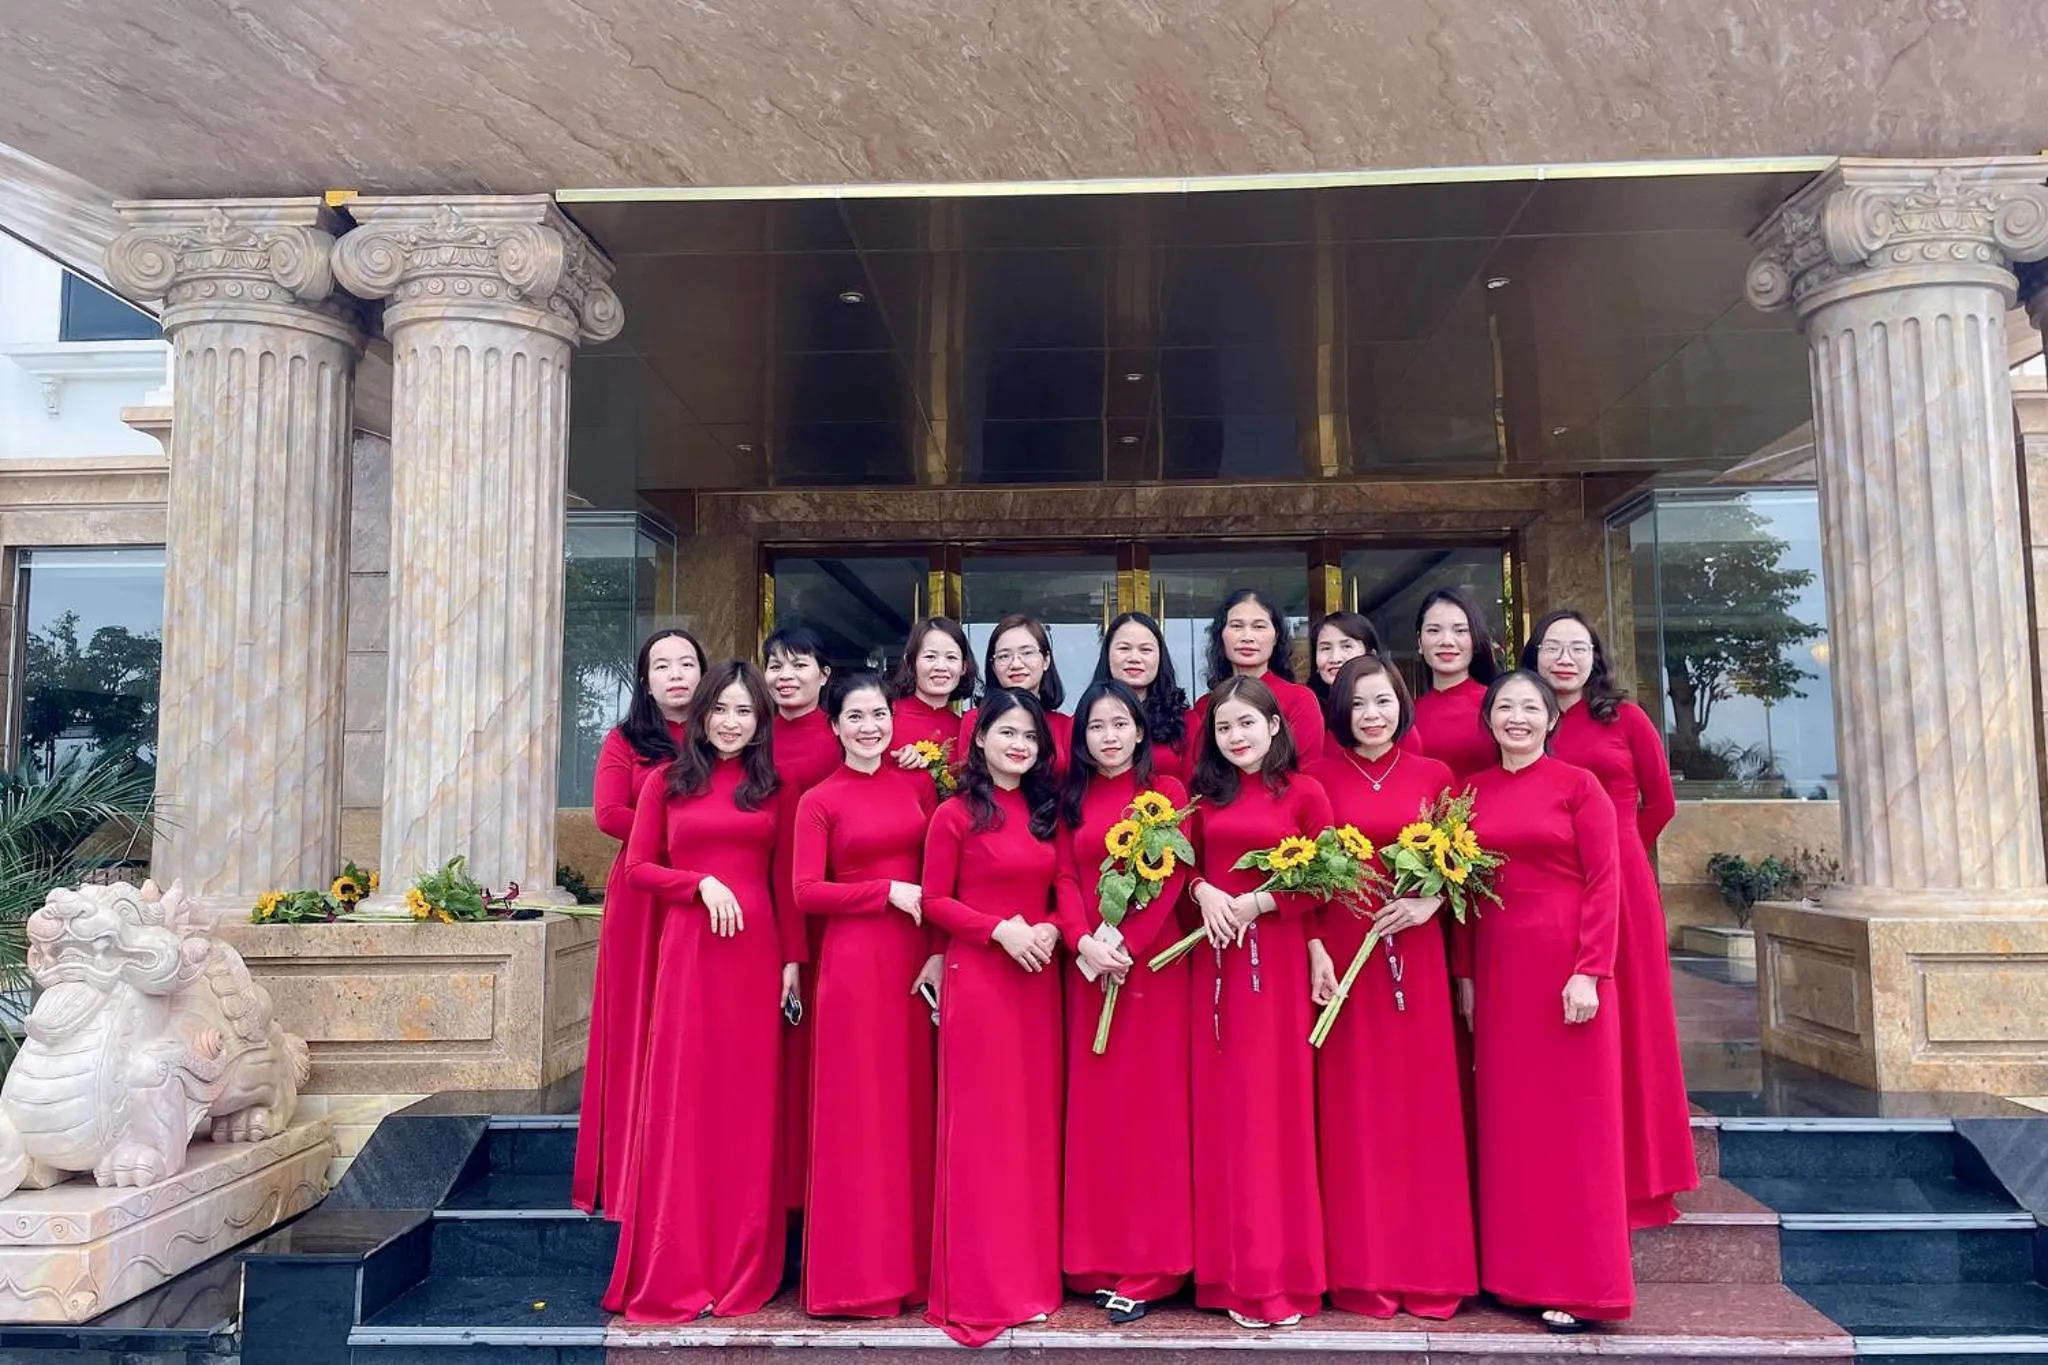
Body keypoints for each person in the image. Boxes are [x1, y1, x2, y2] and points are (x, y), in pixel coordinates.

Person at [604, 661, 807, 1322]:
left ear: (759, 722)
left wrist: (792, 964)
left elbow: (787, 885)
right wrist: (698, 882)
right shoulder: (666, 782)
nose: (731, 722)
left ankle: (742, 1267)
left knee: (748, 1110)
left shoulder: (775, 788)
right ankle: (682, 1262)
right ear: (703, 713)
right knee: (687, 1104)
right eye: (722, 709)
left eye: (745, 712)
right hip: (691, 957)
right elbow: (638, 868)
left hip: (756, 960)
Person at [1304, 654, 1476, 1319]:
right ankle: (1362, 1269)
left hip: (1415, 946)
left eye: (1382, 702)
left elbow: (1463, 862)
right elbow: (1308, 870)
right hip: (1345, 952)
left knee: (1420, 1107)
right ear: (1340, 714)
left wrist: (1432, 901)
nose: (1372, 716)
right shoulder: (1317, 778)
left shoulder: (1437, 777)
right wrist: (1316, 944)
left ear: (1402, 704)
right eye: (1357, 706)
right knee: (1353, 1110)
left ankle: (1431, 1267)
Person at [1461, 670, 1632, 1331]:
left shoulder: (1577, 787)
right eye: (1506, 707)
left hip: (1566, 969)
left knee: (1574, 1127)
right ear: (1490, 718)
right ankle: (1516, 1276)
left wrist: (1591, 969)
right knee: (1513, 1124)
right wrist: (1466, 976)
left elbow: (1605, 880)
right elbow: (1462, 892)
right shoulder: (1471, 792)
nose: (1518, 718)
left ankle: (1586, 1284)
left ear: (1551, 720)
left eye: (1530, 707)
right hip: (1500, 969)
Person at [1524, 609, 1696, 1229]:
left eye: (1577, 647)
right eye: (1552, 647)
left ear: (1596, 657)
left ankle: (1641, 1176)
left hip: (1620, 881)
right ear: (1534, 655)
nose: (1564, 658)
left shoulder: (1625, 718)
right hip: (1547, 888)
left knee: (1635, 1024)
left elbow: (1662, 802)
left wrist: (1617, 844)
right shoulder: (1527, 719)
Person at [922, 689, 1071, 1346]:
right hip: (980, 978)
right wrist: (999, 931)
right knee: (981, 1133)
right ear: (978, 739)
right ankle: (981, 1286)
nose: (1018, 743)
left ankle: (1031, 1282)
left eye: (1029, 736)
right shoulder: (954, 814)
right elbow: (934, 901)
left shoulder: (1045, 814)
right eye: (1005, 731)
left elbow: (1063, 883)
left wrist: (1048, 929)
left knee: (1031, 1131)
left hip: (1038, 980)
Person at [792, 674, 940, 1317]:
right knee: (860, 1114)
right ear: (835, 725)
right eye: (855, 716)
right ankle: (857, 1279)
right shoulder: (818, 800)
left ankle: (919, 1271)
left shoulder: (918, 786)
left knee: (914, 1106)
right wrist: (883, 892)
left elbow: (944, 872)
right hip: (853, 969)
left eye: (879, 714)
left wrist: (936, 949)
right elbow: (805, 891)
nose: (870, 727)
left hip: (915, 962)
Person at [1184, 675, 1329, 1328]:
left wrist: (1259, 900)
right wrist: (1202, 893)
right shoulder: (1201, 799)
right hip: (1211, 970)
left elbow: (1325, 879)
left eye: (1247, 723)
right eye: (1223, 727)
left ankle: (1280, 1277)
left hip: (1275, 966)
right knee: (1224, 1118)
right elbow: (1178, 870)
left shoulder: (1305, 793)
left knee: (1275, 1116)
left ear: (1275, 726)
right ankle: (1227, 1275)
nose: (1236, 736)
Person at [1054, 679, 1193, 1324]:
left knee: (1149, 1113)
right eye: (1095, 727)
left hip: (1151, 974)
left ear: (1140, 730)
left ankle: (1152, 1263)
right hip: (1086, 974)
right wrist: (1084, 943)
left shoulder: (1164, 794)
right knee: (1097, 1113)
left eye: (1119, 724)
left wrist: (1127, 945)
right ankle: (1095, 1257)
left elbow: (1173, 878)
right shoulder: (1072, 799)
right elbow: (1062, 875)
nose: (1108, 737)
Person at [573, 627, 704, 1217]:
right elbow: (607, 814)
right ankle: (630, 1174)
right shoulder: (626, 739)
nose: (676, 675)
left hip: (708, 892)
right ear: (645, 680)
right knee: (638, 1018)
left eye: (686, 663)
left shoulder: (723, 731)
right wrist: (675, 836)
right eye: (662, 666)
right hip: (644, 894)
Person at [763, 622, 840, 1234]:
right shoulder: (752, 738)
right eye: (776, 665)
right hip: (767, 908)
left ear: (824, 674)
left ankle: (821, 1194)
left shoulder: (842, 739)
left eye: (799, 664)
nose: (786, 676)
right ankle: (780, 1197)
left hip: (833, 912)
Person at [1186, 589, 1324, 762]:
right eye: (1237, 626)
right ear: (1221, 635)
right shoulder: (1204, 706)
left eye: (1259, 626)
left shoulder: (1299, 700)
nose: (1247, 637)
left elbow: (1306, 769)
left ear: (1276, 636)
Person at [1410, 588, 1503, 783]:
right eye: (1434, 630)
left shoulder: (1498, 706)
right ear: (1419, 641)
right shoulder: (1404, 714)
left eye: (1460, 630)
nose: (1446, 641)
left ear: (1475, 640)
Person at [959, 614, 1073, 773]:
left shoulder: (1066, 726)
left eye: (1027, 653)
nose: (1016, 664)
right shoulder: (976, 720)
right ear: (993, 666)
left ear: (1046, 660)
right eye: (1004, 656)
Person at [1091, 611, 1191, 783]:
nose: (1134, 658)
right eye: (1124, 648)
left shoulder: (1186, 721)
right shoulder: (1086, 721)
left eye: (1145, 650)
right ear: (1107, 654)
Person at [890, 615, 976, 756]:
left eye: (951, 657)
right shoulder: (886, 717)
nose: (941, 667)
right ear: (910, 662)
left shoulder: (965, 730)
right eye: (930, 656)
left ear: (963, 667)